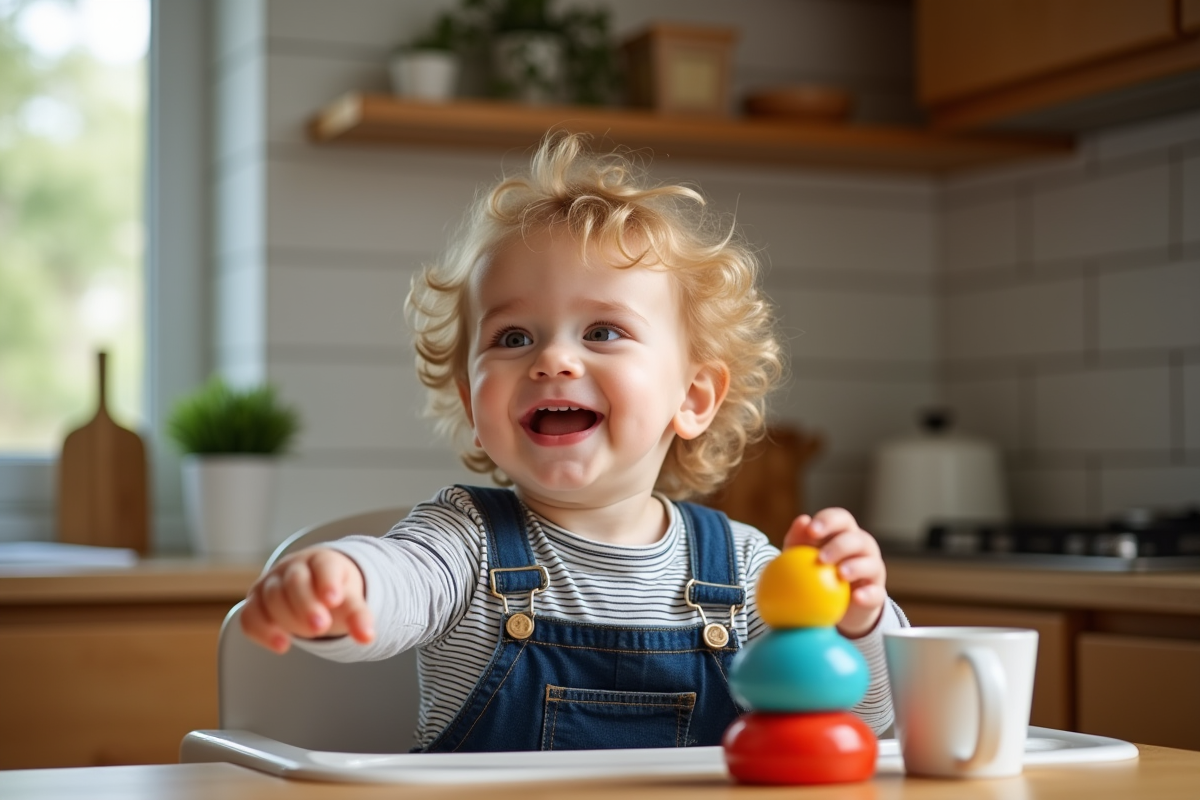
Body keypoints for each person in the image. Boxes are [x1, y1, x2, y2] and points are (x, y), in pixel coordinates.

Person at [240, 132, 907, 752]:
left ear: (693, 398)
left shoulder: (748, 570)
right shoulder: (462, 543)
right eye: (513, 337)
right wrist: (341, 585)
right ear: (475, 406)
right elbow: (396, 586)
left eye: (603, 332)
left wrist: (856, 623)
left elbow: (869, 721)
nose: (553, 360)